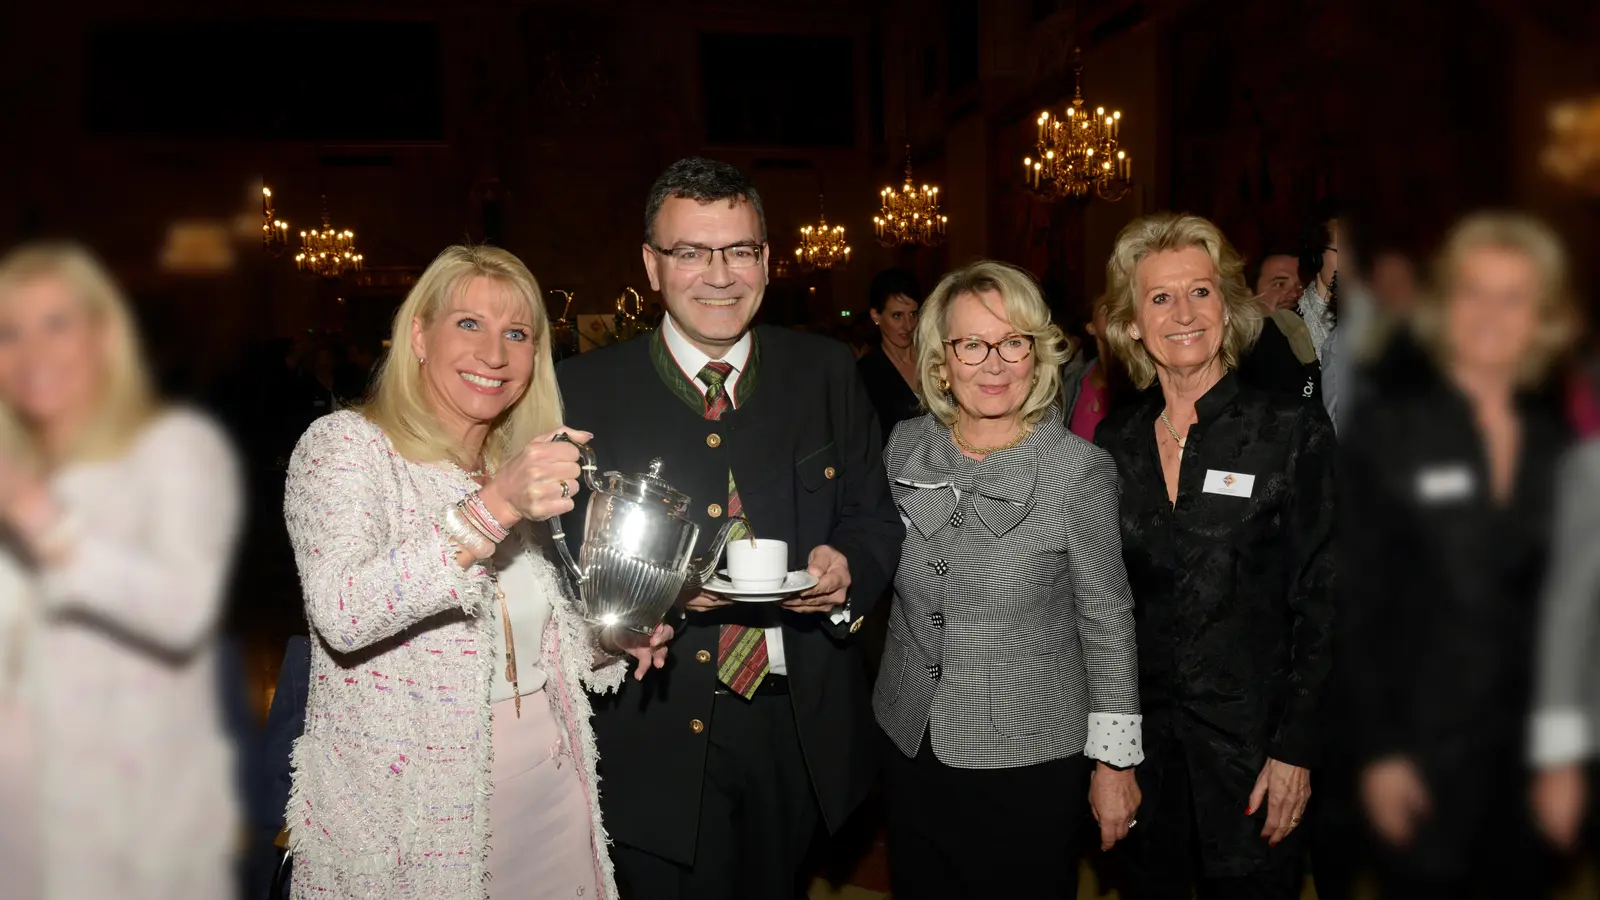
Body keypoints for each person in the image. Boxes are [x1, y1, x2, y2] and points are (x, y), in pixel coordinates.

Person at [556, 157, 904, 900]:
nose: (719, 275)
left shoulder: (825, 371)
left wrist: (846, 573)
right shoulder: (583, 391)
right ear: (652, 265)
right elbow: (555, 566)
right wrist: (643, 609)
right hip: (654, 727)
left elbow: (874, 516)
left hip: (798, 727)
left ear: (767, 261)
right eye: (690, 252)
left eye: (739, 251)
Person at [281, 245, 671, 899]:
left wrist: (614, 642)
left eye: (516, 333)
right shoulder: (346, 448)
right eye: (469, 324)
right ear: (418, 336)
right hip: (412, 820)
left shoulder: (507, 463)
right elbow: (342, 612)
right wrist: (493, 509)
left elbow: (535, 640)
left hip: (548, 795)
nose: (494, 354)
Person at [876, 260, 1142, 899]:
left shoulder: (1077, 471)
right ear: (942, 361)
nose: (993, 364)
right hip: (909, 746)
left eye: (1012, 342)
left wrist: (1114, 760)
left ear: (1038, 354)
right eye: (972, 344)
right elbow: (869, 561)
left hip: (1028, 759)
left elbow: (1108, 617)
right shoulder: (905, 447)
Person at [1094, 213, 1337, 899]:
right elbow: (1100, 611)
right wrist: (1109, 757)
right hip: (1145, 762)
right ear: (1132, 323)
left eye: (1200, 292)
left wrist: (1296, 751)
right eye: (1160, 298)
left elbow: (1326, 601)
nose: (1184, 314)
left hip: (1256, 759)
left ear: (1227, 310)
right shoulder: (1114, 444)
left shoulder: (1289, 431)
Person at [0, 241, 244, 900]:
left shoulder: (173, 451)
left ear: (105, 335)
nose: (33, 353)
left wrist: (38, 515)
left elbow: (181, 611)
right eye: (9, 332)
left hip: (130, 838)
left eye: (56, 324)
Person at [1344, 213, 1577, 899]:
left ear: (1545, 317)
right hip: (1421, 756)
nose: (1492, 315)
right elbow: (1355, 606)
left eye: (1515, 296)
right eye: (1474, 292)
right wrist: (1380, 754)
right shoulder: (1390, 431)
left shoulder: (1557, 444)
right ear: (1445, 306)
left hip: (1532, 759)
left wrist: (1566, 759)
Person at [858, 268, 924, 441]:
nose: (908, 325)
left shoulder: (935, 359)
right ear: (876, 316)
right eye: (897, 316)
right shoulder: (865, 374)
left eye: (913, 314)